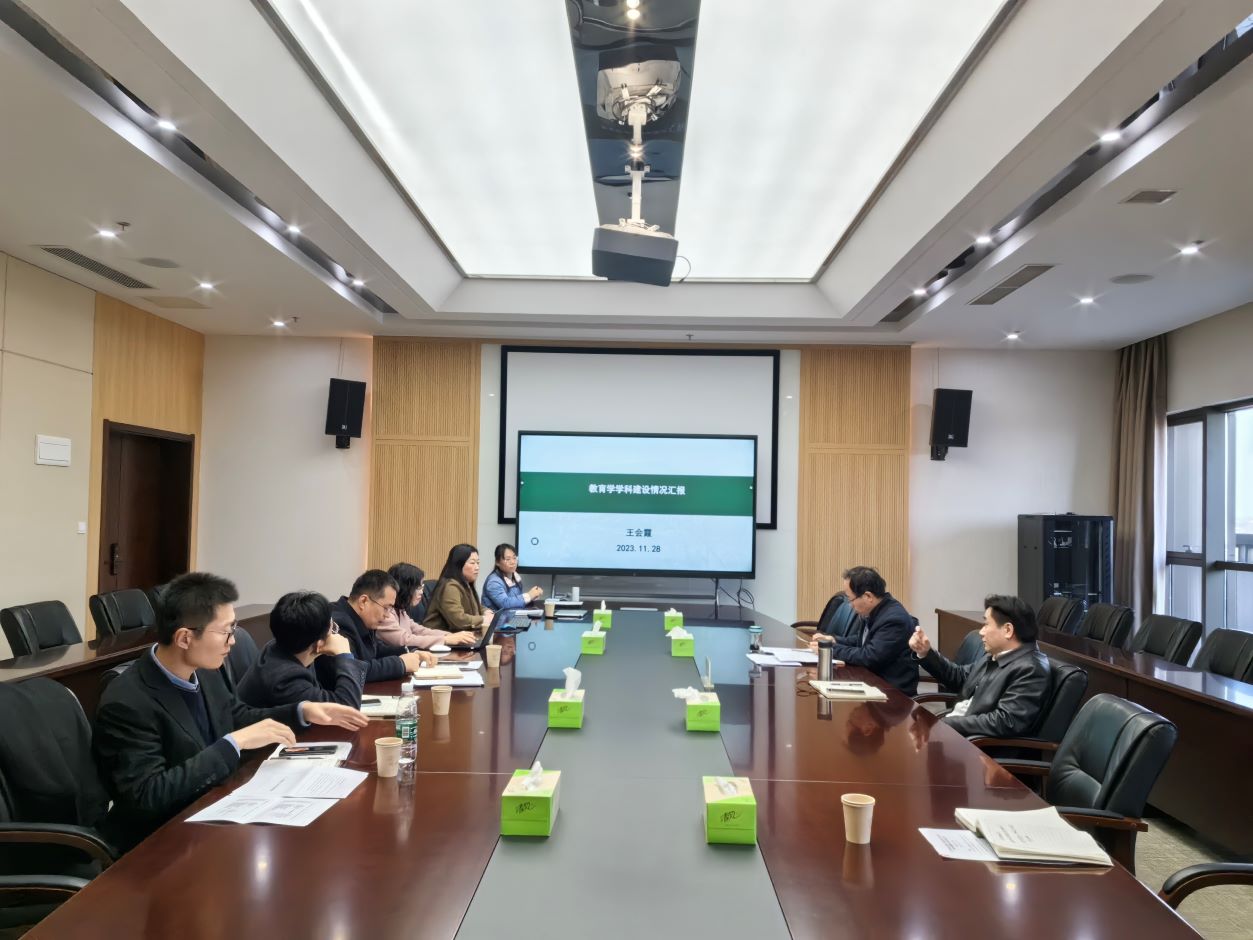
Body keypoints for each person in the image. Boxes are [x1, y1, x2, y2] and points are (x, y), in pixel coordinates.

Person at [93, 572, 368, 850]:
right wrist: (232, 743)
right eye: (226, 631)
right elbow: (147, 796)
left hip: (212, 812)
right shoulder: (128, 702)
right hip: (159, 841)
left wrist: (302, 711)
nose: (233, 641)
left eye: (234, 629)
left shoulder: (206, 670)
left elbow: (236, 716)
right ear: (185, 638)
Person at [908, 594, 1051, 738]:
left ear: (1007, 630)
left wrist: (945, 724)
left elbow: (1005, 721)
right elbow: (959, 676)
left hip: (977, 745)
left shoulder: (1031, 669)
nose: (981, 632)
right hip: (959, 731)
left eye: (986, 624)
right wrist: (926, 652)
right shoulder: (997, 655)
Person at [237, 591, 369, 708]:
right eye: (333, 628)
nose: (335, 634)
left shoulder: (284, 645)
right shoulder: (286, 680)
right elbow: (347, 708)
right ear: (318, 644)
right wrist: (344, 655)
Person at [812, 566, 918, 696]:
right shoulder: (875, 610)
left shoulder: (893, 619)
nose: (850, 605)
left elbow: (869, 656)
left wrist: (830, 649)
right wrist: (834, 640)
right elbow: (862, 640)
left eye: (851, 599)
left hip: (891, 693)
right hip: (871, 683)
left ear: (868, 596)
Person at [320, 570, 437, 687]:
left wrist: (410, 652)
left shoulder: (362, 619)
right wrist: (401, 664)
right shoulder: (337, 624)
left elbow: (376, 649)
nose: (387, 615)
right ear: (363, 601)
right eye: (386, 608)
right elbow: (353, 669)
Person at [377, 562, 476, 649]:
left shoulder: (400, 610)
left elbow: (420, 631)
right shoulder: (386, 613)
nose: (422, 592)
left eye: (422, 587)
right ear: (405, 588)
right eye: (419, 587)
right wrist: (445, 639)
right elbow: (405, 640)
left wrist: (451, 635)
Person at [423, 544, 494, 636]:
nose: (477, 567)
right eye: (472, 563)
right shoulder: (450, 587)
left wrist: (485, 611)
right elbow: (459, 620)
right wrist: (484, 619)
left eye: (478, 563)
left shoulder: (465, 583)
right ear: (459, 565)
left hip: (460, 636)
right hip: (441, 639)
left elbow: (472, 605)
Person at [481, 543, 543, 612]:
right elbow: (505, 604)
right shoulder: (493, 582)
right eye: (508, 559)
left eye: (514, 558)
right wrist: (529, 595)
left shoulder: (515, 577)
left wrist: (532, 597)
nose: (513, 562)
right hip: (496, 618)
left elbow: (516, 602)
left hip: (512, 616)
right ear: (497, 562)